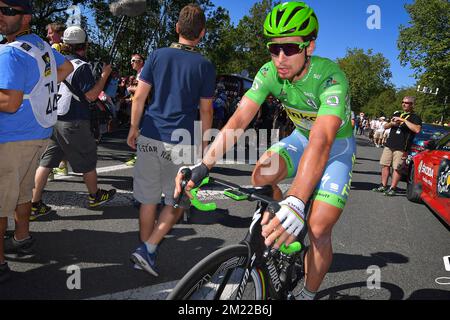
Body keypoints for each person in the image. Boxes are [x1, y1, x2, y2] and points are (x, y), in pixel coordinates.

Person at [175, 1, 356, 300]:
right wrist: (203, 166)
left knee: (320, 228)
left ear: (309, 46)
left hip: (336, 147)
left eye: (290, 48)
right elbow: (238, 120)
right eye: (274, 49)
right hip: (300, 139)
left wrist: (297, 200)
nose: (281, 58)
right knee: (262, 172)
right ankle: (279, 220)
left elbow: (323, 139)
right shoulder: (269, 72)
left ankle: (308, 294)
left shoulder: (331, 77)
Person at [127, 3, 215, 276]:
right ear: (202, 33)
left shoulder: (156, 56)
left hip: (151, 134)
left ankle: (144, 250)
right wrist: (204, 145)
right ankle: (148, 251)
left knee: (147, 199)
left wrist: (133, 127)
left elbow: (139, 96)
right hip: (182, 140)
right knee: (177, 201)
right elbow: (206, 109)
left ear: (177, 28)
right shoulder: (205, 65)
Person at [0, 0, 73, 282]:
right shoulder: (41, 46)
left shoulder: (8, 53)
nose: (1, 16)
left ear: (26, 17)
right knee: (21, 192)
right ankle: (22, 236)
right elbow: (65, 69)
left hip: (10, 137)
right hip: (38, 134)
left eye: (8, 11)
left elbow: (9, 101)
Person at [31, 25, 116, 220]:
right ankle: (95, 195)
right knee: (87, 158)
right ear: (84, 44)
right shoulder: (81, 66)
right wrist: (104, 76)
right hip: (73, 119)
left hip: (55, 117)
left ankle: (33, 203)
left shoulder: (56, 62)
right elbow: (92, 95)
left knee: (46, 162)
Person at [373, 97, 422, 196]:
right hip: (390, 144)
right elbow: (385, 126)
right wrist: (392, 123)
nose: (404, 104)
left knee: (397, 168)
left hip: (402, 147)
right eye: (403, 102)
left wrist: (403, 120)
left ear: (412, 105)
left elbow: (417, 130)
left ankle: (393, 188)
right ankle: (383, 185)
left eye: (407, 103)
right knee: (385, 165)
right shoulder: (397, 114)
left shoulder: (415, 117)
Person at [125, 55, 145, 166]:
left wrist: (131, 88)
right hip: (141, 105)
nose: (131, 63)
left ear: (141, 62)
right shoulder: (139, 73)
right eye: (131, 60)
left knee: (139, 130)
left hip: (144, 106)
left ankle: (140, 155)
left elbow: (145, 89)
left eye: (134, 61)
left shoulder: (143, 73)